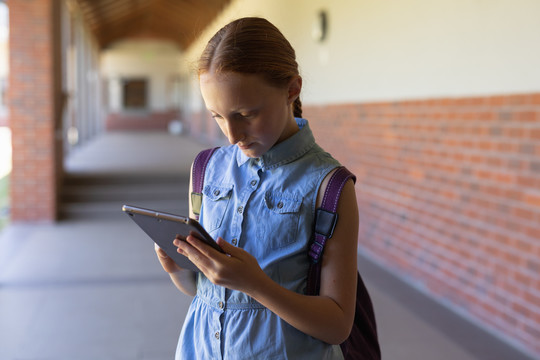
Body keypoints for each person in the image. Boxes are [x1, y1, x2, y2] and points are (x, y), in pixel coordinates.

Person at [155, 17, 359, 359]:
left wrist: (256, 285)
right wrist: (178, 268)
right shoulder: (205, 169)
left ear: (292, 90)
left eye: (246, 114)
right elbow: (202, 292)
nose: (232, 135)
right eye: (217, 116)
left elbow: (337, 325)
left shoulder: (329, 186)